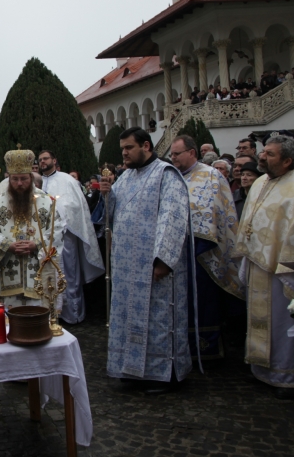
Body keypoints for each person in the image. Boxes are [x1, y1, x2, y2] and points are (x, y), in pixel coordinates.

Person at [100, 127, 195, 394]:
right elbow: (111, 218)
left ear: (146, 146)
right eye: (122, 149)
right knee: (128, 318)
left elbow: (173, 218)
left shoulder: (166, 175)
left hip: (154, 266)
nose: (124, 153)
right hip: (127, 267)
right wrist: (106, 196)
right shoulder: (125, 178)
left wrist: (164, 259)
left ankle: (161, 375)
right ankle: (131, 369)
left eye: (129, 148)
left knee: (158, 318)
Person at [235, 135, 294, 400]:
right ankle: (261, 369)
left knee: (282, 322)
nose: (262, 157)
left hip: (283, 271)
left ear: (287, 160)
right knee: (259, 320)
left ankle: (287, 375)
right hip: (257, 264)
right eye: (264, 152)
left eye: (270, 154)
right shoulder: (261, 182)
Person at [170, 136, 239, 360]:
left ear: (192, 153)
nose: (173, 158)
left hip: (201, 254)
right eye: (171, 154)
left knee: (203, 302)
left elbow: (215, 214)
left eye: (176, 154)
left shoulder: (211, 176)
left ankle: (205, 349)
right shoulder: (172, 177)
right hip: (174, 253)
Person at [0, 148, 65, 309]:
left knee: (39, 315)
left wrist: (36, 244)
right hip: (10, 269)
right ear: (9, 179)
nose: (19, 183)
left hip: (38, 269)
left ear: (31, 177)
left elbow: (57, 229)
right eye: (15, 179)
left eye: (24, 178)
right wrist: (7, 245)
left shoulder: (46, 201)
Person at [37, 150, 104, 324]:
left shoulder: (67, 180)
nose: (43, 162)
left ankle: (72, 314)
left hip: (66, 236)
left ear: (54, 160)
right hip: (43, 239)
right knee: (45, 275)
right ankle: (50, 312)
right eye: (40, 160)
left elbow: (76, 205)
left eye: (46, 158)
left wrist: (59, 214)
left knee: (68, 274)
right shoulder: (36, 182)